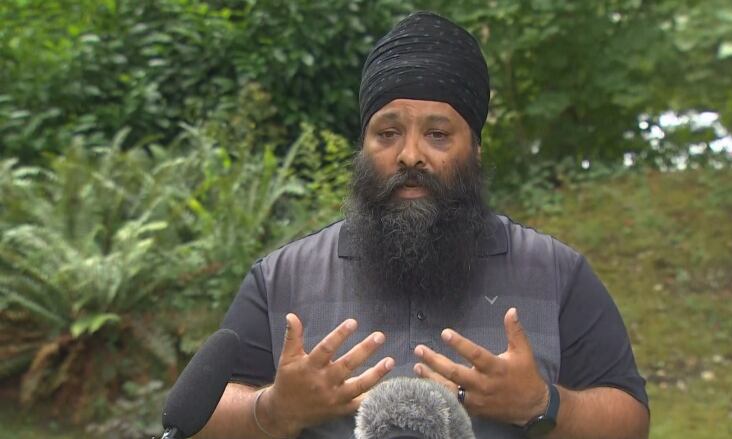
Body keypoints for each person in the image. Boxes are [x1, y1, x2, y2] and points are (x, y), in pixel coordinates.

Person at [196, 11, 649, 439]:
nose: (410, 155)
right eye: (387, 133)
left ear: (475, 150)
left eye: (437, 134)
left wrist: (542, 403)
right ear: (364, 146)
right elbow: (201, 415)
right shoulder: (282, 279)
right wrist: (274, 409)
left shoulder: (556, 273)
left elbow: (630, 420)